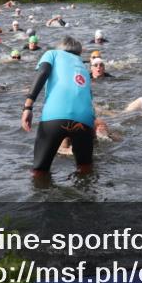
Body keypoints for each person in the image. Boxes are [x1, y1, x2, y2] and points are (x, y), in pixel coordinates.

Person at [21, 36, 95, 178]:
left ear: (60, 47)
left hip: (54, 117)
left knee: (39, 170)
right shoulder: (83, 67)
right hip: (85, 119)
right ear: (78, 52)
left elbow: (42, 73)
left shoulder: (52, 54)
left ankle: (41, 195)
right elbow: (88, 97)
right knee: (85, 169)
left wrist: (28, 107)